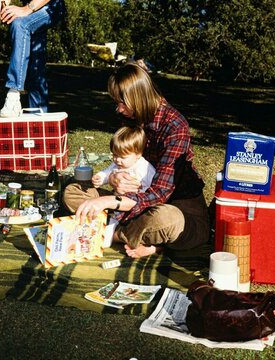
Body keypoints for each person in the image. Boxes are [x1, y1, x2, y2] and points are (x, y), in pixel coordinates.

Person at [64, 62, 209, 258]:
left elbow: (159, 195)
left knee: (165, 220)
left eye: (122, 103)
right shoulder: (133, 118)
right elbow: (124, 160)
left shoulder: (175, 127)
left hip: (174, 204)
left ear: (138, 97)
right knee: (72, 192)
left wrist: (109, 201)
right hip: (131, 203)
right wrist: (114, 178)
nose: (119, 109)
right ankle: (144, 237)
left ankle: (113, 234)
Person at [0, 0, 65, 117]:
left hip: (52, 7)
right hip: (33, 10)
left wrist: (25, 9)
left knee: (20, 24)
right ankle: (38, 124)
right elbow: (0, 3)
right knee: (35, 70)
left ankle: (13, 94)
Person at [91, 126, 156, 248]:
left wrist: (141, 190)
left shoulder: (145, 169)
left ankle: (109, 237)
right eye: (114, 155)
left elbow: (153, 189)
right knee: (112, 216)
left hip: (135, 205)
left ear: (138, 154)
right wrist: (100, 177)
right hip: (116, 201)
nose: (117, 160)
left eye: (122, 157)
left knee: (116, 220)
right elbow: (107, 171)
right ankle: (106, 230)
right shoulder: (117, 163)